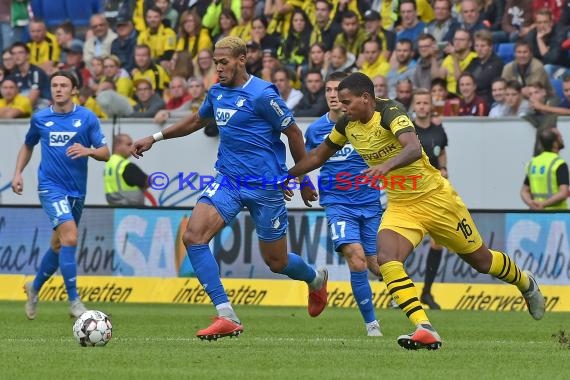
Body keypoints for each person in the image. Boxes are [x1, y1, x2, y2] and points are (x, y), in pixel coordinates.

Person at [288, 72, 546, 350]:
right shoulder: (346, 123)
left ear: (366, 98)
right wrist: (287, 175)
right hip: (402, 205)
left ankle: (524, 281)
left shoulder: (390, 111)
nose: (343, 107)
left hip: (436, 199)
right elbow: (317, 156)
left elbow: (412, 148)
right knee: (387, 258)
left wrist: (385, 167)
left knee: (482, 261)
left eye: (348, 102)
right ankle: (424, 327)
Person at [131, 36, 328, 341]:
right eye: (214, 62)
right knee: (193, 236)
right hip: (228, 180)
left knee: (277, 262)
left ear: (241, 59)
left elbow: (293, 132)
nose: (218, 68)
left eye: (223, 62)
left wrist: (301, 179)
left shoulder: (263, 94)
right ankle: (226, 314)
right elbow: (197, 120)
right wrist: (155, 138)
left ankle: (315, 279)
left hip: (264, 186)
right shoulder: (217, 92)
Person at [12, 70, 110, 320]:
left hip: (77, 191)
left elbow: (105, 152)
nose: (58, 89)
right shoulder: (40, 118)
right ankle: (74, 301)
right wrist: (18, 173)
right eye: (54, 85)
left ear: (74, 89)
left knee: (58, 245)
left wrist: (88, 150)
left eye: (63, 85)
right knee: (70, 237)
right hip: (50, 187)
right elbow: (28, 144)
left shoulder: (87, 118)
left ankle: (33, 288)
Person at [304, 71, 383, 336]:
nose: (333, 96)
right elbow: (306, 159)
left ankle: (413, 312)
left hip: (370, 202)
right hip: (338, 203)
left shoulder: (367, 124)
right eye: (328, 90)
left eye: (338, 90)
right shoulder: (315, 130)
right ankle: (372, 326)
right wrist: (301, 183)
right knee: (356, 260)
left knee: (377, 265)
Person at [411, 88, 449, 310]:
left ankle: (426, 292)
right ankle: (400, 293)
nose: (422, 106)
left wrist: (444, 168)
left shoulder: (438, 130)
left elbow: (441, 150)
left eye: (426, 103)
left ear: (430, 106)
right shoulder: (407, 129)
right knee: (404, 243)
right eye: (419, 103)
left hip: (434, 193)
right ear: (414, 106)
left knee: (437, 243)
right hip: (412, 192)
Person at [521, 128, 568, 210]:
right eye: (560, 137)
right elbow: (563, 193)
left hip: (537, 214)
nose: (562, 138)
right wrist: (543, 204)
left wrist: (531, 204)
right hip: (556, 215)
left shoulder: (533, 162)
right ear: (555, 143)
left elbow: (524, 191)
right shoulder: (559, 163)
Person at [104, 134, 149, 206]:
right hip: (130, 209)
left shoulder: (109, 163)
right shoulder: (124, 165)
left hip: (115, 207)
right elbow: (146, 181)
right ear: (117, 145)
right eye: (129, 144)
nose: (132, 147)